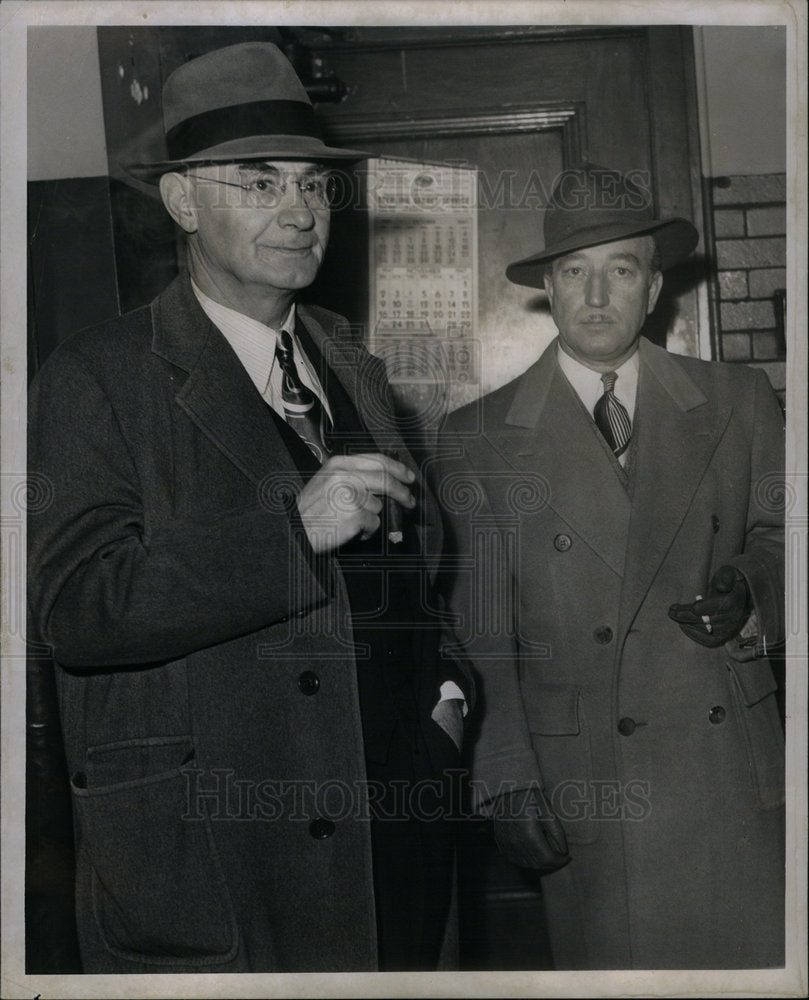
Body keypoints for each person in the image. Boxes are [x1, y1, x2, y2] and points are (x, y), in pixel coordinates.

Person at [27, 41, 470, 974]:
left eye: (312, 186)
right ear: (182, 201)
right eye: (259, 183)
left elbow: (420, 577)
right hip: (225, 867)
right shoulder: (97, 378)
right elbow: (77, 611)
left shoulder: (350, 361)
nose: (300, 212)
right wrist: (292, 533)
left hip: (395, 845)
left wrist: (449, 700)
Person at [435, 164, 785, 969]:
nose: (596, 297)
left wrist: (753, 591)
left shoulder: (735, 399)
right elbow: (478, 633)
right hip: (584, 779)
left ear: (655, 286)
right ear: (547, 291)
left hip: (725, 769)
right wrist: (506, 780)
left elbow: (782, 537)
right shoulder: (478, 438)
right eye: (573, 273)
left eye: (620, 270)